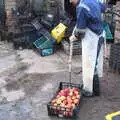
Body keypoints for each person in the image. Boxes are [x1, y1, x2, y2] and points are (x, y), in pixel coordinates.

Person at [69, 0, 106, 96]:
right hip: (100, 35)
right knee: (94, 62)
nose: (70, 2)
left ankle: (91, 91)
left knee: (90, 64)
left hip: (92, 38)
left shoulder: (81, 7)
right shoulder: (92, 1)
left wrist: (75, 37)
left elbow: (81, 31)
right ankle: (92, 86)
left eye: (71, 0)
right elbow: (104, 8)